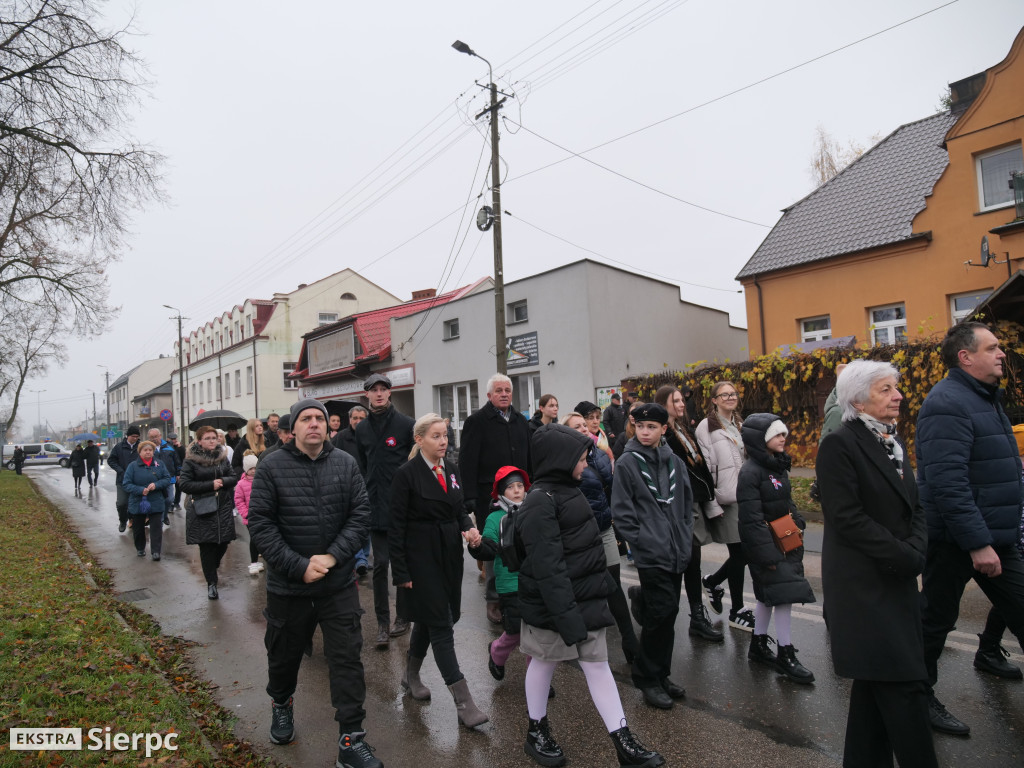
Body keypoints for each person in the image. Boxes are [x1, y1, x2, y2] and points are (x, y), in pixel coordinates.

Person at [518, 423, 663, 768]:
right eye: (581, 459)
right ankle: (536, 730)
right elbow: (547, 567)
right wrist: (566, 617)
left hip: (584, 599)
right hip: (554, 606)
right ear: (560, 460)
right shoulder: (539, 501)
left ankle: (623, 742)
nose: (586, 465)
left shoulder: (572, 490)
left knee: (598, 667)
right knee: (544, 661)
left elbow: (588, 551)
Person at [816, 360, 937, 768]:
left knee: (875, 689)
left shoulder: (892, 440)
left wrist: (916, 548)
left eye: (895, 388)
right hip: (865, 588)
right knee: (906, 686)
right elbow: (846, 517)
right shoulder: (840, 444)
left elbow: (915, 506)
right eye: (885, 389)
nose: (898, 396)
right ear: (857, 400)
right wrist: (904, 555)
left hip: (895, 580)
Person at [248, 398, 380, 768]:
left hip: (337, 585)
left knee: (347, 659)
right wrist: (298, 566)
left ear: (327, 425)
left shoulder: (345, 463)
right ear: (292, 428)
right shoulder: (271, 465)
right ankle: (281, 703)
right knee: (283, 657)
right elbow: (260, 524)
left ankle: (351, 740)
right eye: (305, 418)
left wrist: (333, 557)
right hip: (289, 588)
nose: (313, 424)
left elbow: (360, 515)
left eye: (319, 418)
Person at [916, 321, 1024, 736]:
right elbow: (947, 483)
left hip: (995, 536)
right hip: (956, 540)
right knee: (935, 621)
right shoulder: (947, 403)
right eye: (992, 347)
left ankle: (988, 654)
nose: (1001, 354)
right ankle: (917, 697)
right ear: (966, 357)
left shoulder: (984, 397)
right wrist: (978, 543)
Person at [389, 413, 487, 728]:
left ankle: (410, 675)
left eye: (445, 435)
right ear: (419, 440)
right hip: (420, 558)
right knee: (441, 625)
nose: (443, 441)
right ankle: (464, 702)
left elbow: (458, 509)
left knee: (431, 619)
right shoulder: (406, 475)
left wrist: (469, 528)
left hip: (449, 556)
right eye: (436, 436)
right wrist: (401, 572)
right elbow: (395, 527)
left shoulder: (451, 469)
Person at [612, 403, 693, 710]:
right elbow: (622, 510)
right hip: (651, 552)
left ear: (663, 429)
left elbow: (686, 504)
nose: (645, 432)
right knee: (661, 612)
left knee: (668, 614)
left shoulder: (674, 462)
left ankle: (661, 673)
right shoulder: (627, 462)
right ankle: (646, 677)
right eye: (640, 427)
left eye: (652, 427)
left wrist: (684, 535)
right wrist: (642, 540)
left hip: (676, 549)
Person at [737, 413, 815, 684]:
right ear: (761, 439)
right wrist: (767, 554)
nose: (784, 438)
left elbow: (786, 501)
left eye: (784, 434)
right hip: (769, 548)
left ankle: (758, 645)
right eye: (777, 434)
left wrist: (798, 521)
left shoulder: (777, 466)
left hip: (785, 542)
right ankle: (785, 653)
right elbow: (750, 520)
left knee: (768, 595)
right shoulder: (750, 472)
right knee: (783, 596)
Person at [564, 412, 640, 664]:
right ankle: (573, 638)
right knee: (583, 586)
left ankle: (629, 640)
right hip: (580, 533)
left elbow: (611, 489)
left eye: (584, 425)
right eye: (577, 426)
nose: (585, 429)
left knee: (613, 584)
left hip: (605, 528)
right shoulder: (564, 461)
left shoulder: (599, 454)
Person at [460, 373, 532, 624]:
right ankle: (494, 599)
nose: (504, 394)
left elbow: (529, 456)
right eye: (499, 391)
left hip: (521, 494)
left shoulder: (521, 421)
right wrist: (469, 496)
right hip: (489, 498)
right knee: (494, 546)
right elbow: (467, 461)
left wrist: (533, 485)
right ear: (489, 395)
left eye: (507, 390)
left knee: (521, 543)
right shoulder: (476, 421)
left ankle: (521, 593)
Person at [654, 385, 722, 643]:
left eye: (682, 400)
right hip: (677, 504)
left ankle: (696, 616)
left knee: (693, 559)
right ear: (664, 404)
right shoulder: (662, 434)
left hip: (693, 500)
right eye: (676, 401)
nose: (682, 404)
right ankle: (660, 608)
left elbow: (698, 464)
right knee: (686, 559)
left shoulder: (682, 430)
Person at [355, 373, 415, 649]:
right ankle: (382, 622)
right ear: (367, 394)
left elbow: (414, 465)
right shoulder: (362, 429)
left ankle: (403, 616)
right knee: (380, 565)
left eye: (383, 389)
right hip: (375, 506)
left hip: (402, 506)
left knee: (402, 563)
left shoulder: (406, 425)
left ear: (390, 393)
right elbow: (363, 465)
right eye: (374, 389)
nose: (379, 393)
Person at [695, 381, 755, 631]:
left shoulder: (740, 424)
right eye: (724, 395)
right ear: (714, 400)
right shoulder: (706, 427)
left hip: (746, 495)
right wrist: (712, 504)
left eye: (733, 394)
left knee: (747, 550)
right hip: (726, 498)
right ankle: (736, 610)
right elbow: (706, 468)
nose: (730, 398)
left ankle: (713, 581)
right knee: (740, 552)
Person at [468, 466, 532, 684]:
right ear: (501, 493)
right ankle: (497, 650)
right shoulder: (495, 518)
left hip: (534, 581)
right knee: (516, 631)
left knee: (535, 632)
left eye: (520, 486)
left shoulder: (533, 511)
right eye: (511, 487)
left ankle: (536, 679)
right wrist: (478, 545)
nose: (517, 490)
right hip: (509, 584)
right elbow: (488, 547)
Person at [179, 425, 239, 600]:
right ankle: (211, 583)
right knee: (207, 546)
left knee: (224, 542)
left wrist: (223, 481)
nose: (212, 441)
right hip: (202, 507)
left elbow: (233, 477)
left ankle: (212, 566)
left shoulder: (222, 457)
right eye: (207, 438)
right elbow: (185, 484)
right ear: (199, 441)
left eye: (214, 438)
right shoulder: (191, 461)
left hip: (223, 507)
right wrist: (209, 485)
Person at [332, 406, 370, 576]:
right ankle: (360, 558)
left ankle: (364, 557)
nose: (358, 421)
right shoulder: (340, 438)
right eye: (355, 418)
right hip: (346, 486)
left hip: (368, 485)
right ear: (349, 419)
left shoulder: (371, 436)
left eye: (362, 418)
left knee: (365, 523)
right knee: (352, 522)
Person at [122, 440, 172, 560]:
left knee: (156, 527)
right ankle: (140, 548)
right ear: (140, 452)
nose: (148, 452)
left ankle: (156, 551)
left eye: (150, 450)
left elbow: (167, 479)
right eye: (145, 450)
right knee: (138, 527)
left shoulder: (159, 464)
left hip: (156, 499)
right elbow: (126, 484)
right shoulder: (132, 466)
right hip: (138, 501)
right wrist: (140, 490)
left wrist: (156, 485)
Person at [107, 426, 141, 533]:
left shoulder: (141, 446)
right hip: (122, 480)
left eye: (137, 436)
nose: (135, 438)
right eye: (133, 436)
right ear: (128, 436)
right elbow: (111, 460)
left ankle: (134, 521)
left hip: (137, 481)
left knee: (135, 503)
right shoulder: (119, 447)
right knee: (122, 503)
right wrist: (120, 471)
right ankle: (122, 520)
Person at [235, 451, 263, 576]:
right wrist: (245, 514)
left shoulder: (262, 480)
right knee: (254, 538)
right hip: (250, 517)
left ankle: (259, 561)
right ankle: (253, 562)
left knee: (262, 538)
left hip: (262, 515)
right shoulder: (241, 484)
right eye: (250, 469)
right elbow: (238, 500)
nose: (253, 471)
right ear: (246, 469)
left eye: (255, 468)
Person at [149, 428, 179, 526]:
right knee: (158, 501)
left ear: (160, 436)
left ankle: (164, 515)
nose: (154, 439)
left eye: (156, 436)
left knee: (169, 499)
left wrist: (178, 473)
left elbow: (176, 461)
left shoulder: (169, 446)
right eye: (152, 437)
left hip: (169, 477)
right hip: (155, 479)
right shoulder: (148, 448)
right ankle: (159, 521)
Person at [576, 400, 615, 466]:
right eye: (591, 418)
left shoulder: (602, 436)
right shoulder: (579, 442)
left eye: (597, 417)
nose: (595, 422)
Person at [170, 434, 186, 510]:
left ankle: (176, 502)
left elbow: (184, 457)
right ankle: (170, 504)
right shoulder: (167, 447)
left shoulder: (180, 447)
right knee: (169, 488)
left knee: (178, 487)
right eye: (172, 439)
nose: (174, 440)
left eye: (175, 439)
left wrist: (181, 447)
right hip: (170, 470)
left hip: (178, 469)